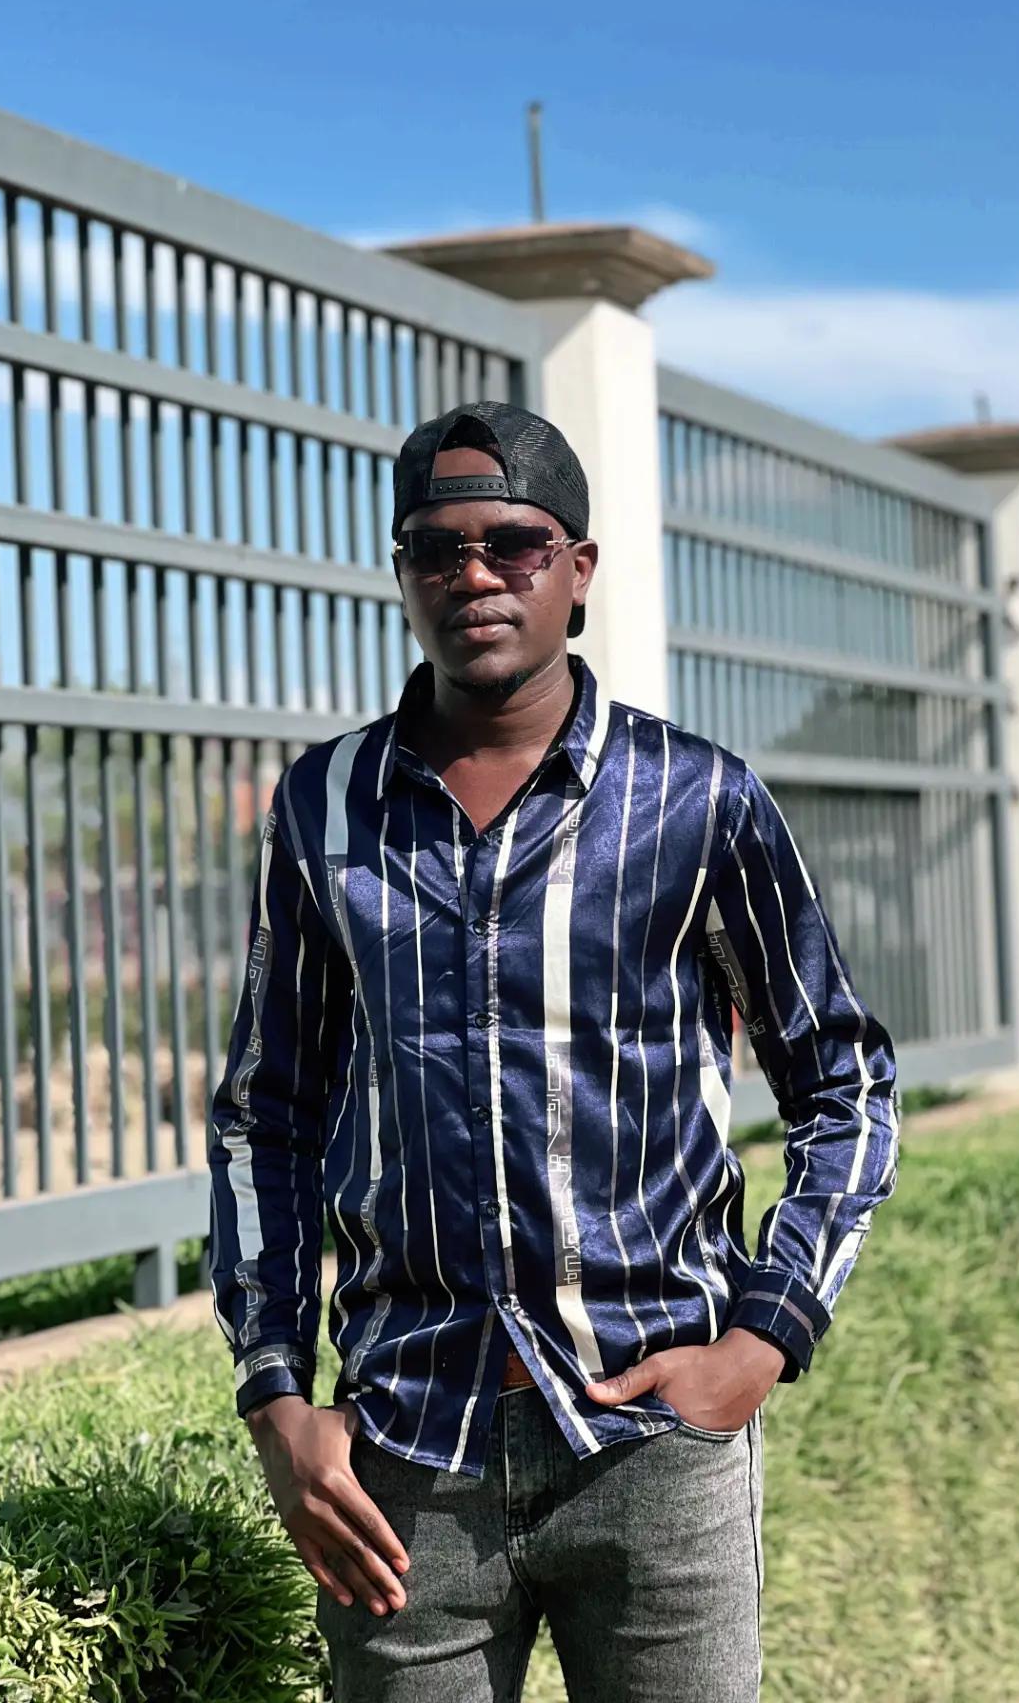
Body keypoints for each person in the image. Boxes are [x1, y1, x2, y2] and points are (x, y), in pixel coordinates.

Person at [208, 399, 899, 1702]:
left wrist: (766, 1334)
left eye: (513, 544)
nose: (474, 575)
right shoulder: (323, 807)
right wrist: (276, 1399)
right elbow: (268, 1115)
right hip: (406, 1462)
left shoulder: (697, 801)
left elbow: (846, 1083)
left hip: (654, 1447)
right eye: (436, 548)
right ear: (404, 574)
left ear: (576, 570)